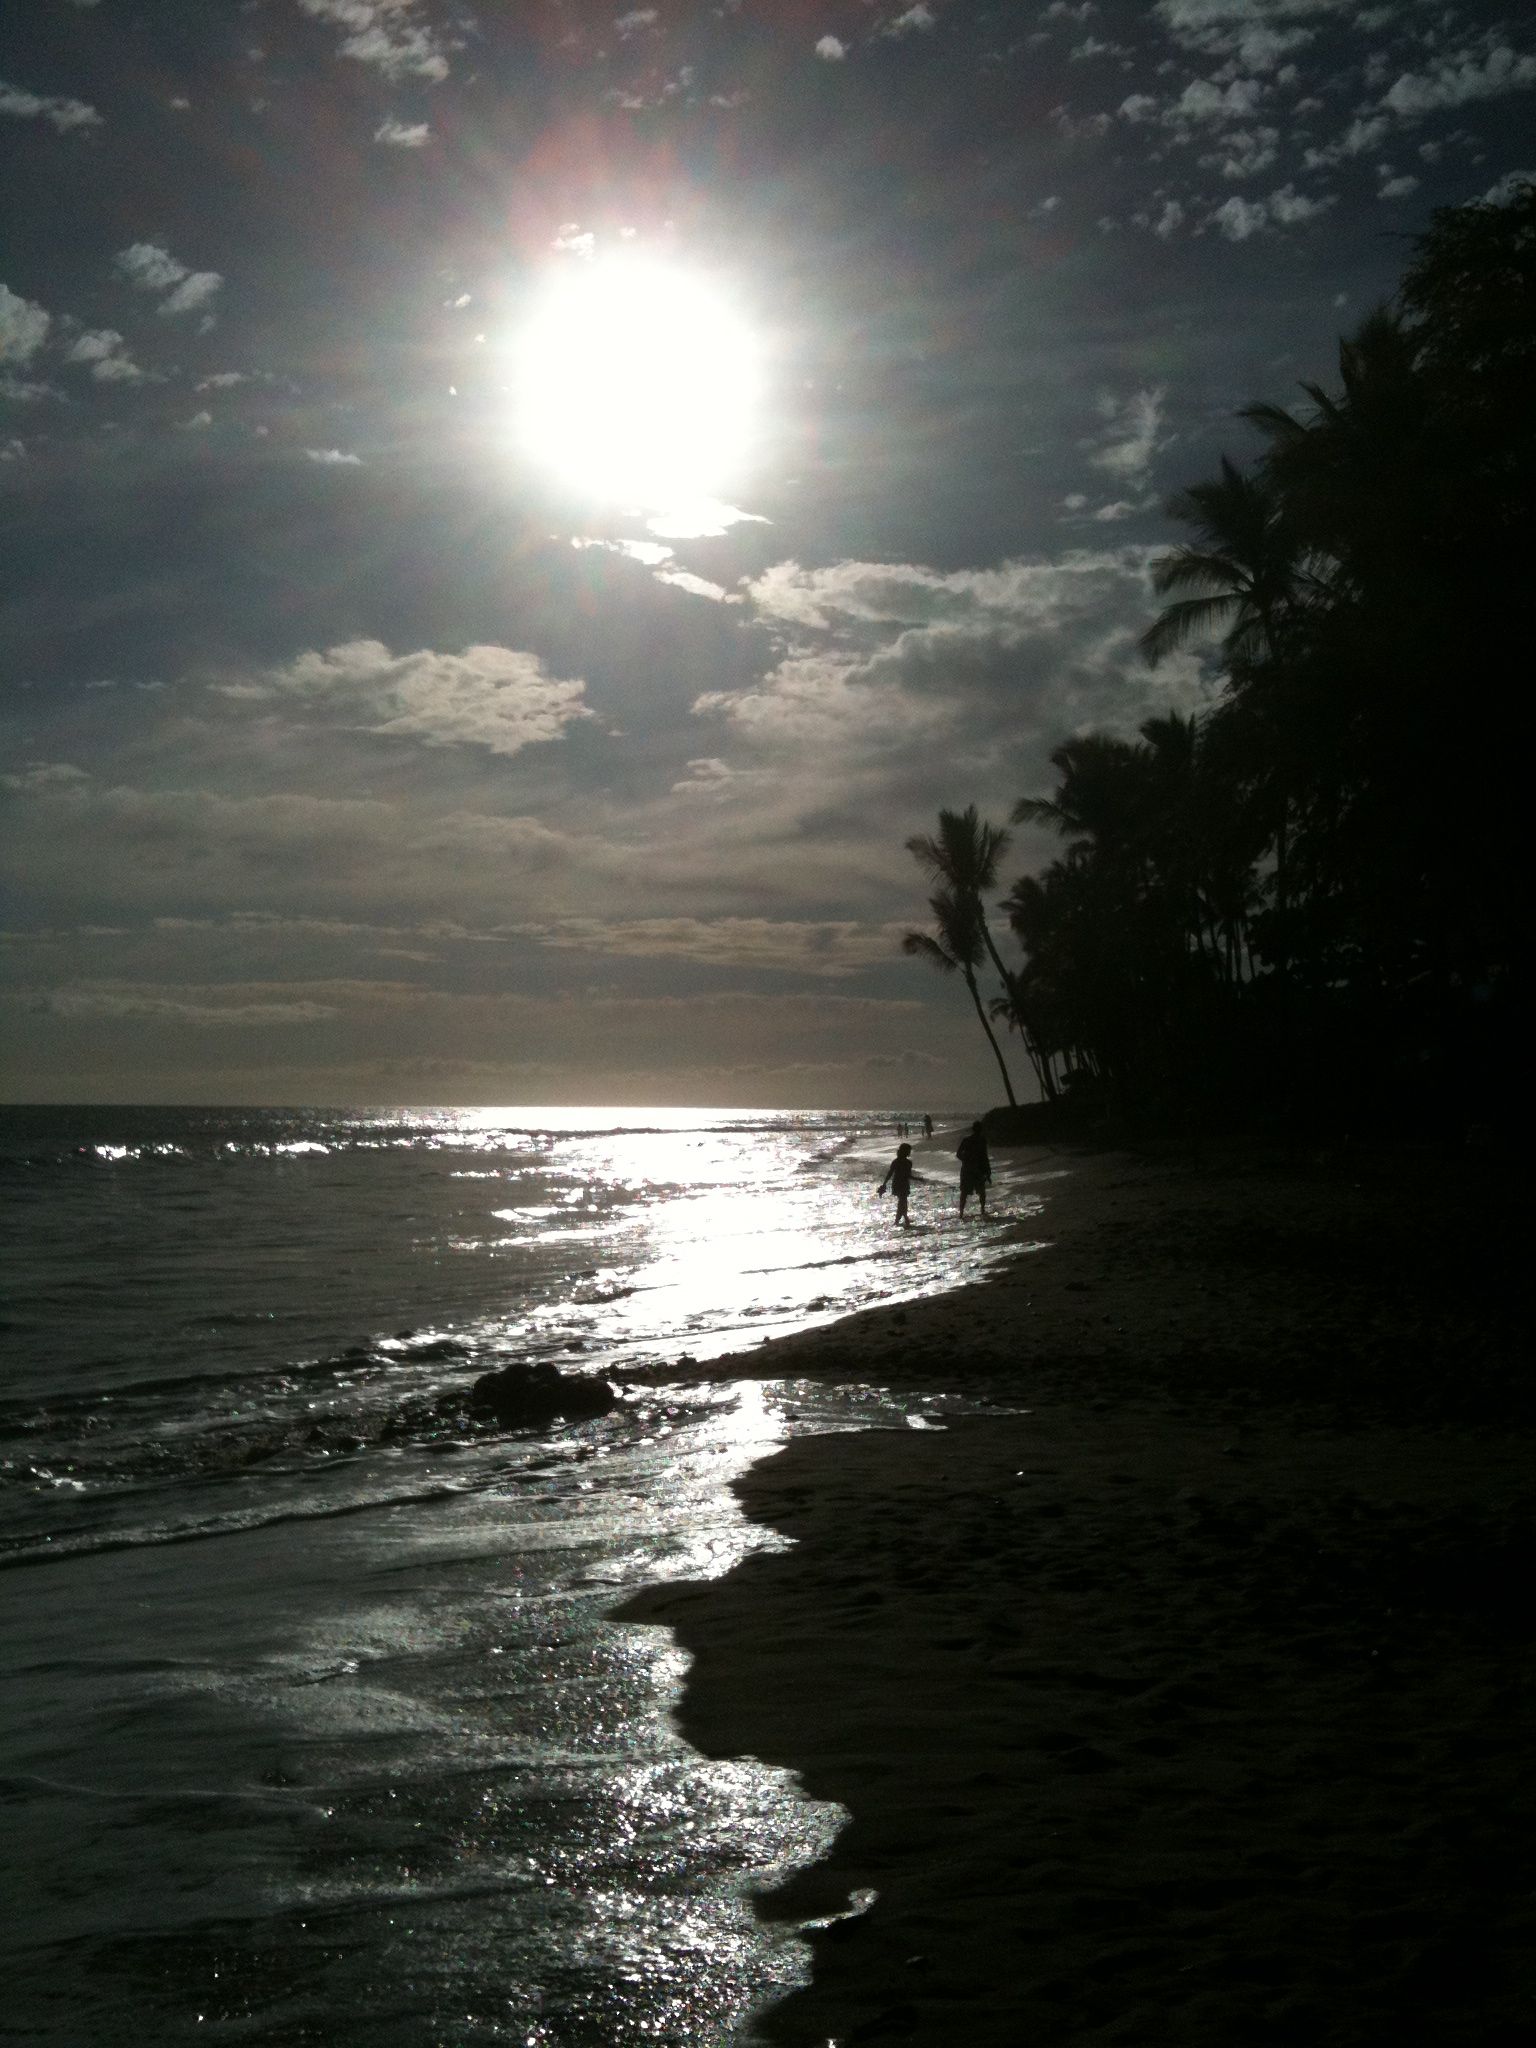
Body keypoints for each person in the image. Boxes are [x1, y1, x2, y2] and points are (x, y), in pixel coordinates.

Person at [956, 1120, 991, 1218]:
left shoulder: (967, 1140)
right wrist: (988, 1172)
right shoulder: (982, 1140)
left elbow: (958, 1154)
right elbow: (985, 1157)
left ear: (973, 1129)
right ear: (980, 1129)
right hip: (978, 1169)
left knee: (964, 1192)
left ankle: (961, 1213)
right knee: (981, 1191)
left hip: (967, 1169)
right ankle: (982, 1210)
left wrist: (966, 1160)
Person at [878, 1141, 916, 1226]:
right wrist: (918, 1179)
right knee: (903, 1201)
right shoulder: (908, 1163)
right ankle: (902, 1219)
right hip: (903, 1184)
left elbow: (890, 1173)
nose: (909, 1152)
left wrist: (884, 1183)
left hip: (897, 1184)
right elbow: (907, 1176)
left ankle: (900, 1220)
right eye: (908, 1151)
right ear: (905, 1151)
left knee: (902, 1202)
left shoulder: (896, 1161)